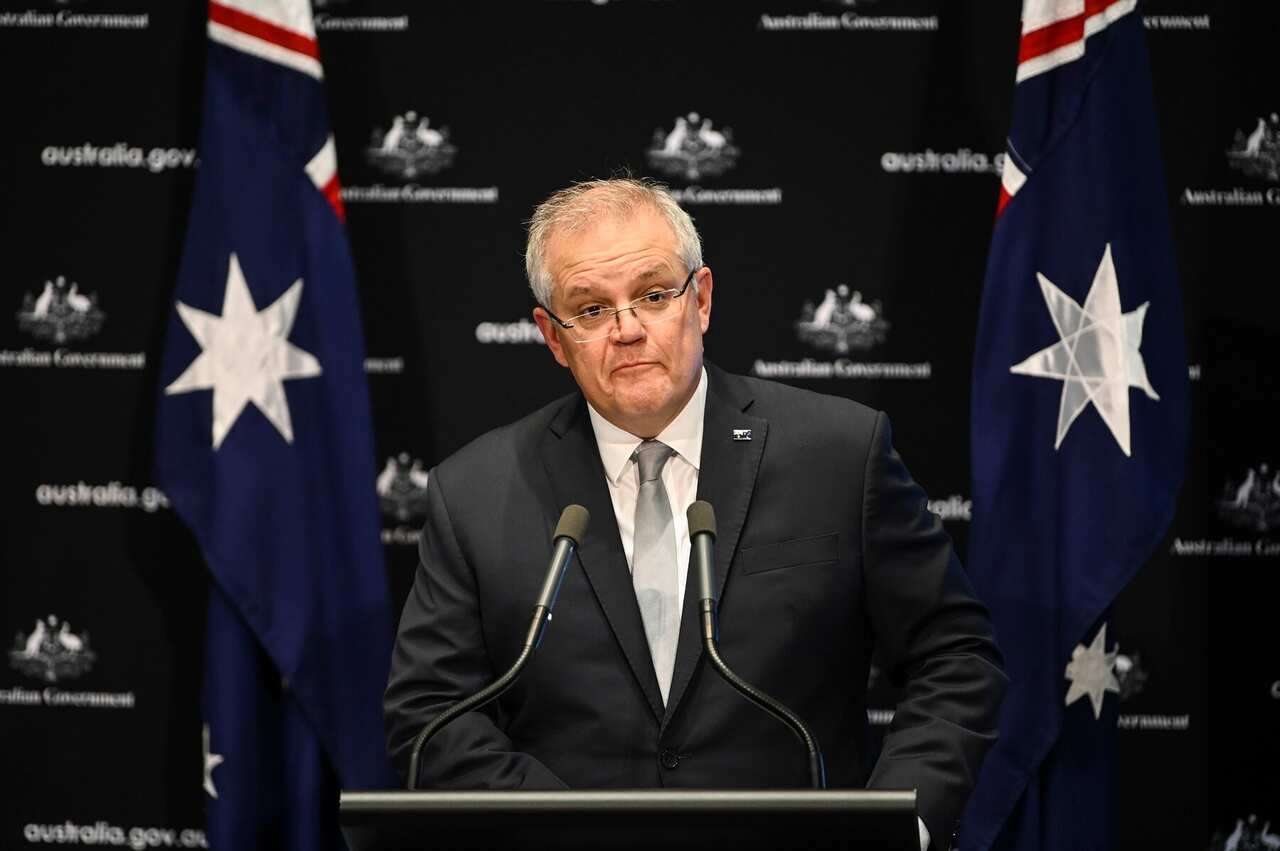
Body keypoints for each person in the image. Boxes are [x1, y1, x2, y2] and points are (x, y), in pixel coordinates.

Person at [384, 178, 1006, 850]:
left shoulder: (837, 454)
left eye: (653, 295)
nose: (627, 330)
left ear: (700, 299)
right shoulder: (475, 490)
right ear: (553, 337)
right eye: (590, 309)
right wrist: (562, 829)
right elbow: (431, 712)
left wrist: (895, 818)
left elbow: (955, 656)